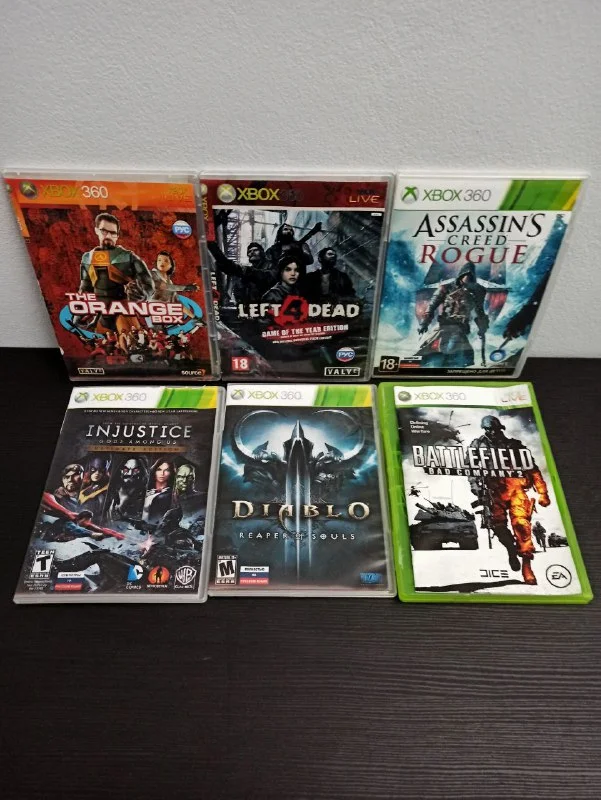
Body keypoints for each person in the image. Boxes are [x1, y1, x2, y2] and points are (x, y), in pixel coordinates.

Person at [468, 415, 550, 585]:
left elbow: (532, 469)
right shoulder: (477, 445)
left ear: (500, 429)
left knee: (522, 526)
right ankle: (511, 550)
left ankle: (527, 566)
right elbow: (471, 468)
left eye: (494, 429)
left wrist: (543, 493)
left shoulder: (514, 445)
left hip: (515, 489)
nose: (492, 432)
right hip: (493, 492)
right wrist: (475, 486)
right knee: (498, 526)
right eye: (488, 429)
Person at [77, 213, 154, 345]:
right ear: (96, 230)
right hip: (102, 314)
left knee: (134, 345)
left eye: (113, 233)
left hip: (122, 310)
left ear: (117, 235)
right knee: (104, 347)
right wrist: (80, 310)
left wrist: (141, 294)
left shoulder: (128, 257)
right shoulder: (87, 258)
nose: (108, 236)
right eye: (104, 231)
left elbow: (148, 285)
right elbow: (85, 287)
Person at [417, 262, 489, 368]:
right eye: (466, 277)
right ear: (460, 276)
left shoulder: (477, 290)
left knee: (454, 350)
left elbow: (479, 311)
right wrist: (425, 322)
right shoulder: (446, 288)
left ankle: (450, 368)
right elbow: (432, 305)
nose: (467, 283)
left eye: (470, 279)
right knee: (429, 347)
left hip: (460, 327)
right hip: (444, 325)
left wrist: (482, 326)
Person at [206, 240, 276, 304]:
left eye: (255, 250)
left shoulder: (270, 265)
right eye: (249, 251)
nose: (252, 252)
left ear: (262, 252)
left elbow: (269, 277)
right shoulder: (249, 271)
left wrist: (244, 271)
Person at [143, 459, 175, 523]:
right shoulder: (147, 490)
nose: (162, 473)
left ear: (171, 473)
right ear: (155, 471)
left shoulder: (170, 494)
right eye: (159, 469)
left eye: (167, 470)